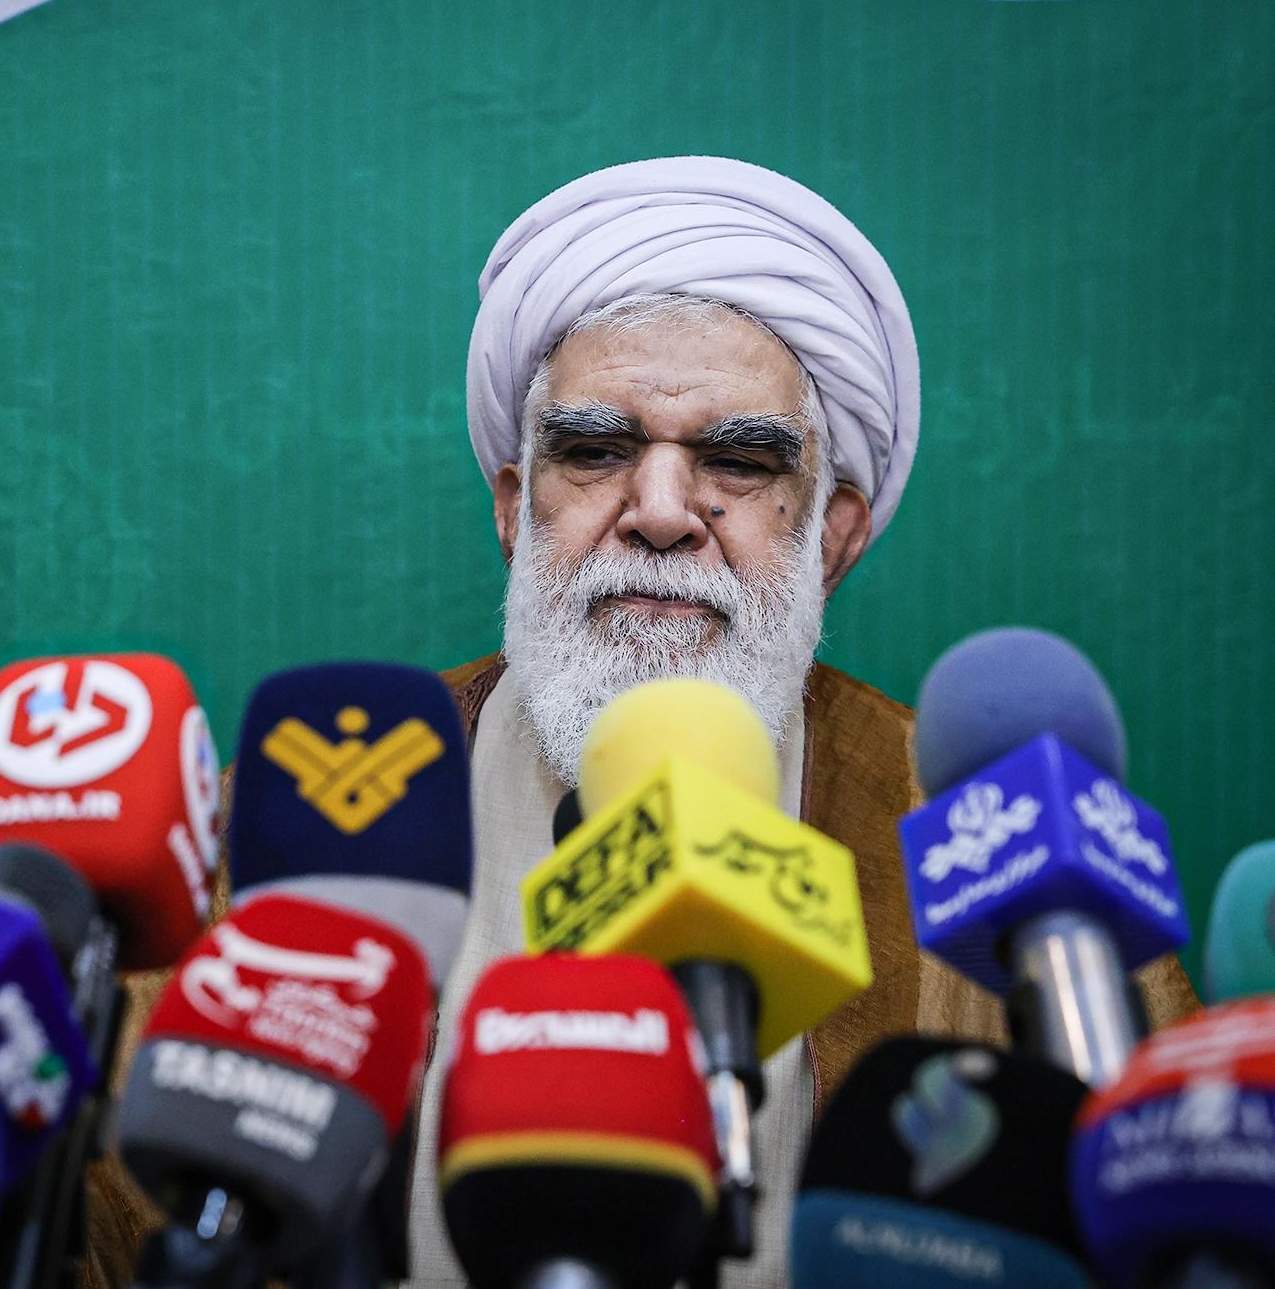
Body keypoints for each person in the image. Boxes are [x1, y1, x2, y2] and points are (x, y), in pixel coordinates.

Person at [85, 156, 1199, 1288]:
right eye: (595, 451)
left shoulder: (986, 845)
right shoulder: (299, 824)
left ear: (830, 534)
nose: (661, 513)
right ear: (515, 509)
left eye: (738, 460)